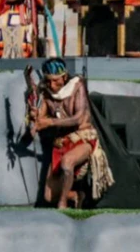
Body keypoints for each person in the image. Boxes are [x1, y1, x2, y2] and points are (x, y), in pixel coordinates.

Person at [30, 59, 114, 209]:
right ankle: (74, 195)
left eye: (55, 81)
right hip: (61, 143)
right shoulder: (47, 93)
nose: (51, 85)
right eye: (48, 81)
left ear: (63, 77)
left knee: (67, 161)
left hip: (83, 139)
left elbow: (78, 118)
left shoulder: (77, 86)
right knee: (48, 196)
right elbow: (41, 117)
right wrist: (35, 117)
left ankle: (62, 204)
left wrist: (49, 123)